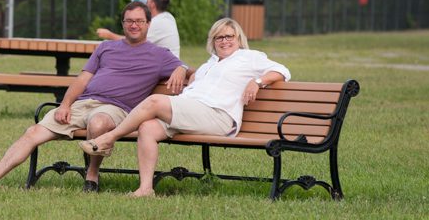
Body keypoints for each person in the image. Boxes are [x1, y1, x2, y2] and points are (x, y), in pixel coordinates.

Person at [0, 1, 188, 192]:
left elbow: (192, 72)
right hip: (83, 103)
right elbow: (82, 79)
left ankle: (92, 176)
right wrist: (65, 104)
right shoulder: (106, 47)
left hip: (117, 109)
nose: (134, 25)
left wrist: (181, 68)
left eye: (139, 21)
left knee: (98, 123)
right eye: (129, 21)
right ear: (122, 24)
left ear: (148, 24)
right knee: (33, 132)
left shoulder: (160, 55)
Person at [80, 17, 291, 197]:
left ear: (239, 39)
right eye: (219, 37)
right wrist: (182, 68)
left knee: (155, 101)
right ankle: (145, 189)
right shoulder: (210, 63)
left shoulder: (249, 57)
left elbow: (282, 71)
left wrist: (257, 82)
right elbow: (194, 78)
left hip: (218, 116)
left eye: (229, 36)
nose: (224, 41)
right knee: (147, 128)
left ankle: (109, 138)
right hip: (192, 111)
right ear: (213, 41)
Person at [96, 0, 180, 57]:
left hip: (166, 68)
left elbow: (132, 40)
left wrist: (109, 35)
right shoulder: (168, 17)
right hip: (165, 63)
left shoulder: (157, 23)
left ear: (152, 5)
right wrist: (142, 3)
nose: (147, 0)